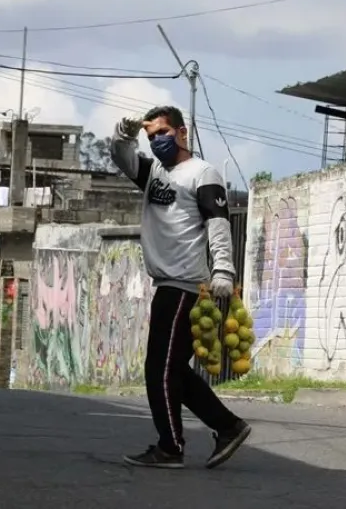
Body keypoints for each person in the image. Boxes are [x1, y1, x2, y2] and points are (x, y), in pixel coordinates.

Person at [110, 105, 251, 469]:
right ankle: (228, 426)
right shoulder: (156, 172)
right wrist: (123, 137)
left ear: (182, 133)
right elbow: (123, 160)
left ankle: (170, 447)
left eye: (163, 133)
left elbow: (218, 223)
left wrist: (224, 270)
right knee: (172, 369)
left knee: (160, 369)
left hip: (186, 285)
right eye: (151, 135)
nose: (157, 140)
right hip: (167, 284)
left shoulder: (202, 173)